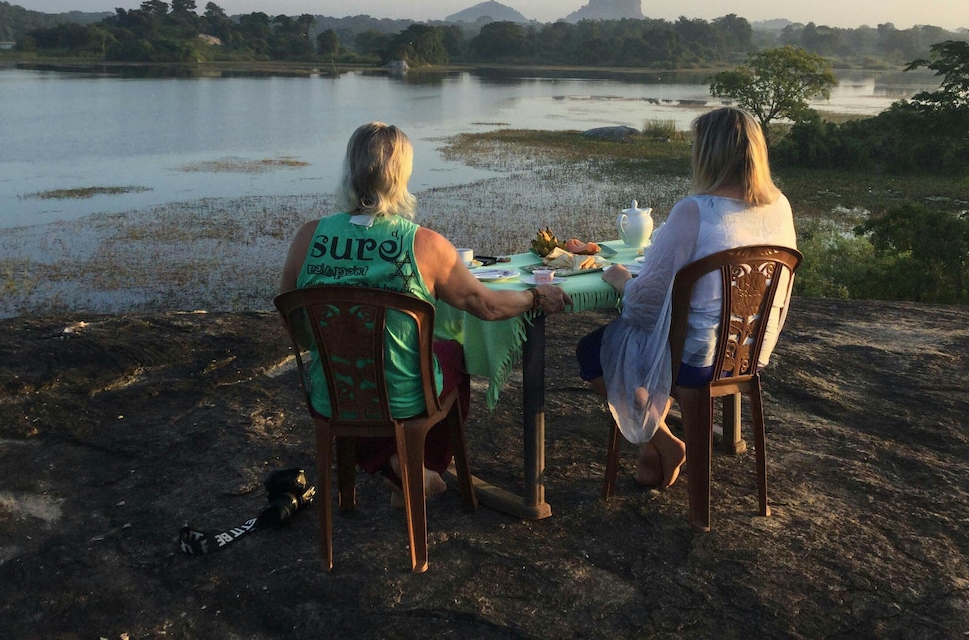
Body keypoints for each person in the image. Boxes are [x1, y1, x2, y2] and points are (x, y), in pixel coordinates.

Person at [280, 122, 571, 503]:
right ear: (401, 175)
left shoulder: (308, 237)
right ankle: (423, 465)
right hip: (404, 398)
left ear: (349, 169)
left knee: (371, 370)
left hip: (331, 394)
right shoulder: (424, 245)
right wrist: (535, 296)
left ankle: (390, 461)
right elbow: (486, 304)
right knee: (450, 354)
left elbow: (291, 313)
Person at [576, 107, 797, 490]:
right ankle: (650, 451)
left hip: (696, 361)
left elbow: (644, 307)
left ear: (708, 154)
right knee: (660, 343)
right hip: (748, 354)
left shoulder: (694, 211)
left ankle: (664, 442)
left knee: (592, 351)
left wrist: (619, 279)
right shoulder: (780, 206)